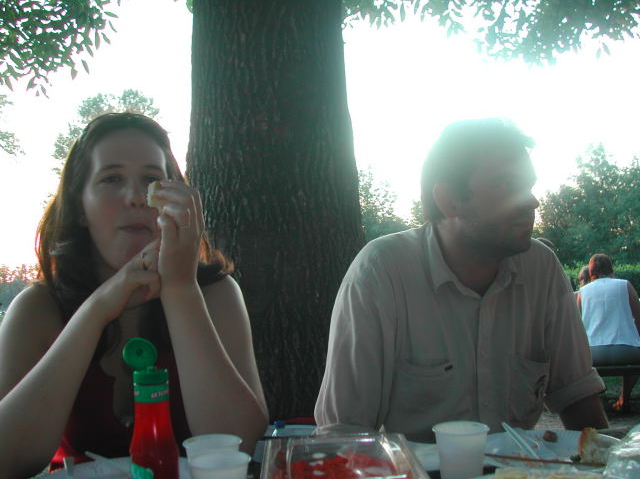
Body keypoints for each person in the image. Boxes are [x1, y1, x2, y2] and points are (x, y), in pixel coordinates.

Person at [0, 113, 268, 478]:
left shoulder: (216, 294)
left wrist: (180, 289)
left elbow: (239, 445)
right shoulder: (38, 308)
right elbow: (7, 459)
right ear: (79, 206)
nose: (136, 198)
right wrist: (96, 310)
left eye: (151, 180)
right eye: (112, 179)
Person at [315, 118, 608, 442]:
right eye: (506, 185)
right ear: (449, 200)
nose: (531, 201)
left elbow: (576, 394)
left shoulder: (541, 268)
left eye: (528, 186)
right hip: (415, 468)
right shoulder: (381, 272)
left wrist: (612, 460)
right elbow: (345, 432)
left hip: (518, 467)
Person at [577, 253, 640, 413]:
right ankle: (624, 399)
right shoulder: (625, 285)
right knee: (635, 355)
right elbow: (638, 317)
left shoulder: (583, 291)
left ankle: (594, 401)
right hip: (626, 350)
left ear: (591, 272)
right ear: (611, 269)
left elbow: (576, 325)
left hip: (592, 352)